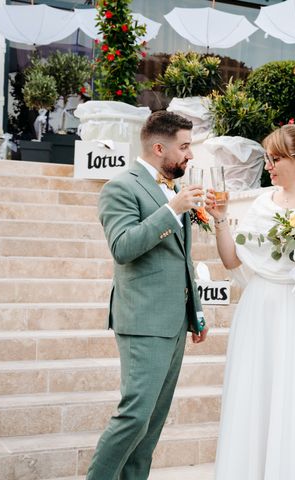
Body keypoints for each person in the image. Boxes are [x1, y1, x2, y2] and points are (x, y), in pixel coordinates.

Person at [205, 124, 295, 479]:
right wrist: (221, 220)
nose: (268, 166)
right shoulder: (261, 203)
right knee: (254, 397)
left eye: (275, 159)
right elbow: (232, 261)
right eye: (267, 159)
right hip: (258, 310)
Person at [87, 111, 209, 480]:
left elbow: (181, 259)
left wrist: (196, 312)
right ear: (160, 147)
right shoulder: (120, 187)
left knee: (151, 425)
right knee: (134, 417)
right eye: (184, 147)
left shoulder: (172, 189)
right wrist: (172, 210)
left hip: (173, 322)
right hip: (142, 321)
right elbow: (123, 247)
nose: (190, 155)